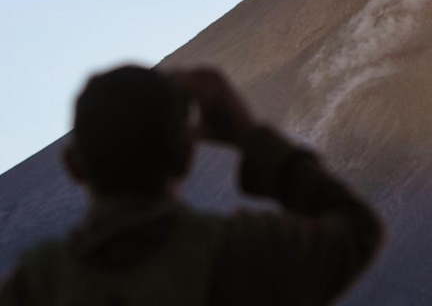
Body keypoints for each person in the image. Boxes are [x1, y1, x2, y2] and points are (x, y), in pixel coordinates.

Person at [0, 65, 384, 305]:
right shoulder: (246, 252)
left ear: (73, 164)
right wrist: (249, 135)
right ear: (187, 156)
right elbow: (358, 230)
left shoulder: (34, 289)